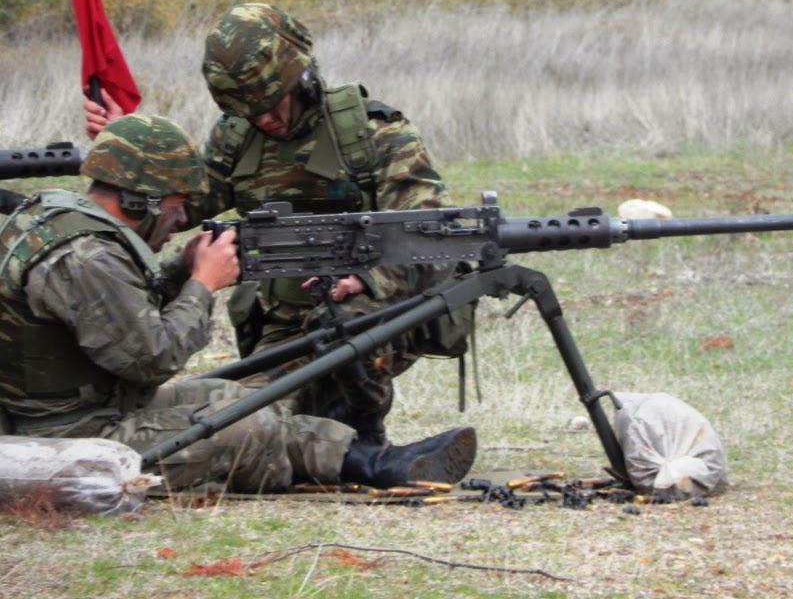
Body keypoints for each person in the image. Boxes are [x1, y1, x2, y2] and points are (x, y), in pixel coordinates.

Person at [0, 114, 475, 492]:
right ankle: (378, 467)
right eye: (175, 204)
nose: (183, 216)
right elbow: (151, 357)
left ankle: (369, 455)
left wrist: (179, 272)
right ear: (138, 200)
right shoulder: (86, 256)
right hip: (71, 438)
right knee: (241, 432)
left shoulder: (70, 225)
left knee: (237, 399)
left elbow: (118, 317)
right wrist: (203, 285)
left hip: (102, 406)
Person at [84, 3, 471, 448]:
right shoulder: (238, 136)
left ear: (303, 79)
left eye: (270, 105)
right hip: (287, 324)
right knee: (241, 421)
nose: (262, 120)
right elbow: (181, 206)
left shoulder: (377, 136)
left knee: (345, 339)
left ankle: (367, 437)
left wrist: (364, 279)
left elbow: (428, 235)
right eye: (249, 112)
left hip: (379, 317)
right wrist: (132, 158)